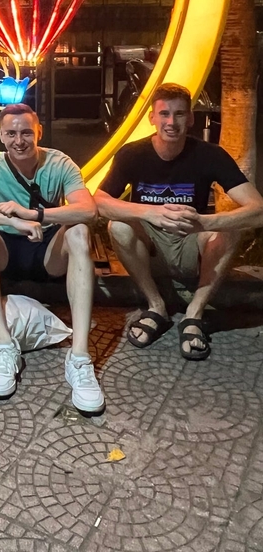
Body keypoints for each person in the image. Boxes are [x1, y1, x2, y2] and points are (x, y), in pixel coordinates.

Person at [95, 82, 263, 360]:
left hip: (190, 242)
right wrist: (149, 212)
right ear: (152, 118)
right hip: (149, 248)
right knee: (120, 226)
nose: (171, 122)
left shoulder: (210, 155)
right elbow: (99, 202)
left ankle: (193, 314)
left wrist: (206, 223)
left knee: (230, 228)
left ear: (191, 118)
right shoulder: (132, 153)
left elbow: (258, 210)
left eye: (179, 114)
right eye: (164, 114)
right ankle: (156, 306)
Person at [0, 103, 103, 412]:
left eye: (25, 132)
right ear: (1, 135)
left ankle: (78, 358)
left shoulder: (59, 163)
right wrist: (14, 221)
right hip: (9, 249)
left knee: (78, 231)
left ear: (39, 132)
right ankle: (4, 346)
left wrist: (35, 214)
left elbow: (87, 209)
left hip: (49, 251)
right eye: (10, 134)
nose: (18, 141)